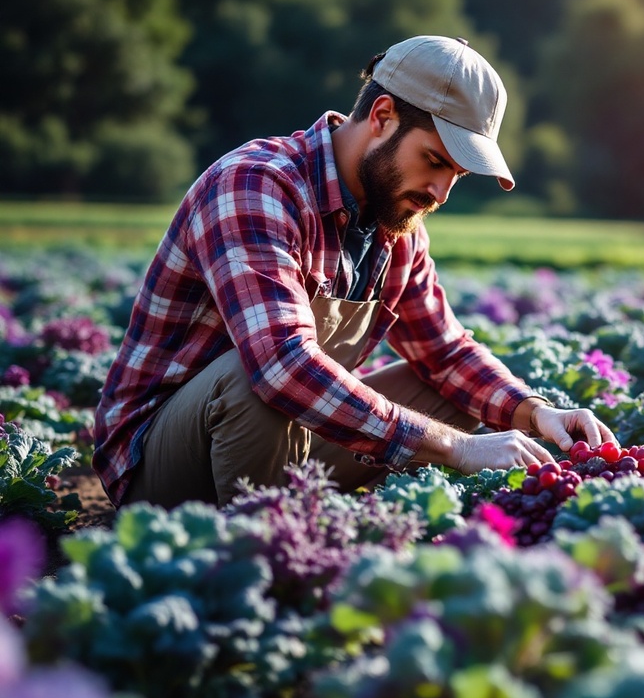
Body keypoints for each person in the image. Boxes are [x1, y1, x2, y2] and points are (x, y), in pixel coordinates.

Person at [93, 34, 617, 509]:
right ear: (383, 116)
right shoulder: (255, 186)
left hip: (286, 438)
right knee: (256, 376)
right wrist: (455, 448)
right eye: (434, 159)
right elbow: (282, 367)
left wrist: (534, 413)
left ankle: (304, 517)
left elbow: (444, 349)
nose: (440, 193)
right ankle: (261, 546)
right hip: (160, 464)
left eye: (455, 175)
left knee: (449, 392)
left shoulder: (397, 224)